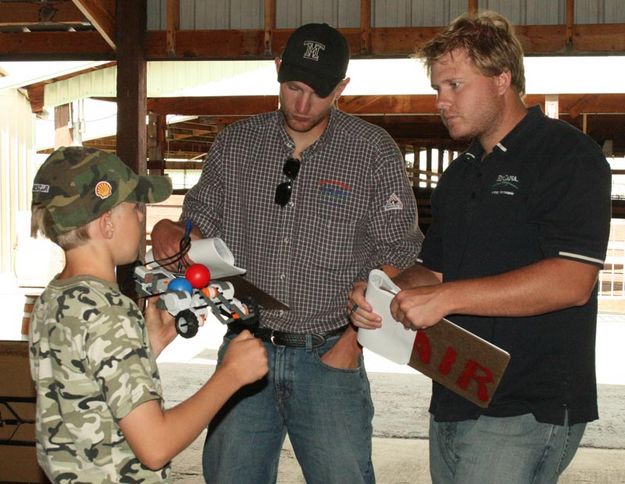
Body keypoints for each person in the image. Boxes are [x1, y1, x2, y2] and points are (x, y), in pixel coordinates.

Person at [150, 22, 422, 484]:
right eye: (292, 86)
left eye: (318, 93)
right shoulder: (236, 144)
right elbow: (197, 223)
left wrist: (350, 343)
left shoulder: (372, 152)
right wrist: (168, 228)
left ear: (342, 87)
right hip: (244, 347)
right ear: (277, 70)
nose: (301, 104)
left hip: (330, 355)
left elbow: (400, 248)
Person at [348, 11, 612, 484]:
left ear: (501, 78)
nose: (441, 102)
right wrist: (385, 291)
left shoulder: (567, 155)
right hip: (455, 394)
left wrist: (448, 298)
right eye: (436, 90)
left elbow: (573, 281)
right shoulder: (460, 174)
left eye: (454, 85)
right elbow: (435, 269)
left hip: (527, 407)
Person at [28, 146, 268, 483]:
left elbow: (84, 387)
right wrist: (230, 375)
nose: (142, 217)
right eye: (135, 208)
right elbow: (155, 447)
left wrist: (148, 346)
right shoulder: (111, 312)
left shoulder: (55, 298)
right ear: (107, 222)